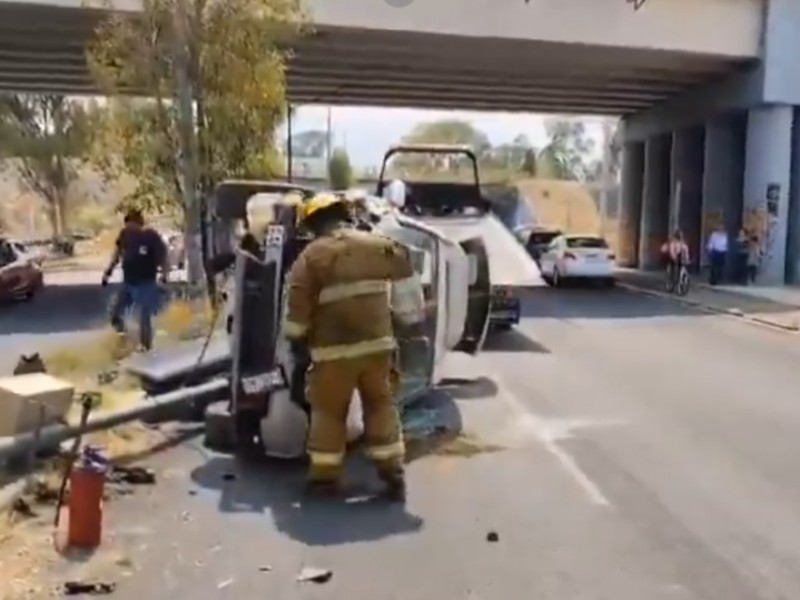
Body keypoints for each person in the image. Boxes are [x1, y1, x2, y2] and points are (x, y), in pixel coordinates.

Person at [282, 193, 425, 501]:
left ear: (312, 224)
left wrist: (296, 345)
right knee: (381, 406)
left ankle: (324, 480)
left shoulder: (309, 258)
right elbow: (407, 286)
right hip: (377, 347)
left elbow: (296, 316)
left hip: (332, 355)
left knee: (329, 414)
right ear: (343, 214)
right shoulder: (379, 246)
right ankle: (392, 473)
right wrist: (408, 320)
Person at [102, 209, 169, 351]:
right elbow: (117, 254)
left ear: (138, 223)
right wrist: (108, 272)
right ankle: (126, 337)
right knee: (114, 314)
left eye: (130, 224)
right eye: (126, 225)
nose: (128, 228)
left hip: (145, 283)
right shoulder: (125, 235)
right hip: (128, 283)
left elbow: (163, 257)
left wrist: (164, 274)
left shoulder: (151, 237)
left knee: (143, 317)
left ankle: (146, 347)